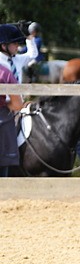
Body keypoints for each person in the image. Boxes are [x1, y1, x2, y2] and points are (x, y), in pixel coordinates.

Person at [0, 25, 27, 176]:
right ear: (4, 46)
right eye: (15, 43)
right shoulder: (5, 72)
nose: (18, 46)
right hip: (5, 116)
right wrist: (7, 105)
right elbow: (17, 104)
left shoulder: (14, 62)